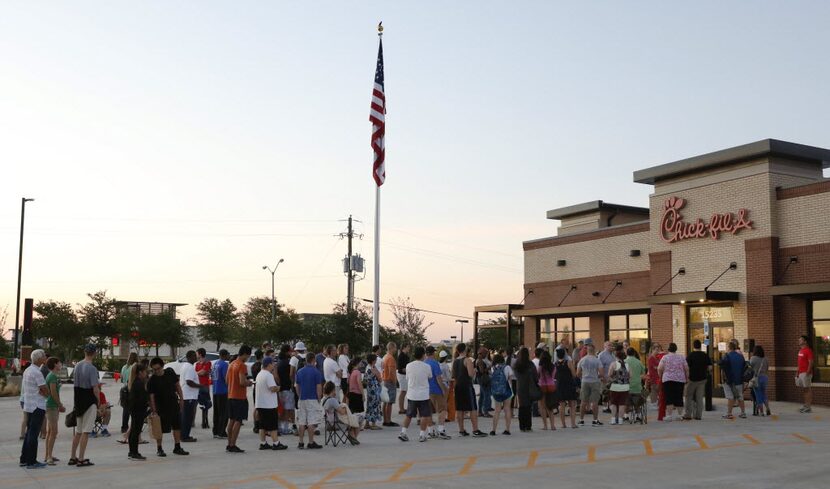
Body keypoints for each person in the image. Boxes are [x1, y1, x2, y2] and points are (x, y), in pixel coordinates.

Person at [147, 357, 189, 457]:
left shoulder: (170, 373)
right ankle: (159, 448)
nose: (156, 371)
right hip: (160, 407)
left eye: (158, 368)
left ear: (162, 366)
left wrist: (182, 400)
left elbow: (178, 386)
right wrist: (154, 410)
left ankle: (177, 447)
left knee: (177, 426)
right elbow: (151, 396)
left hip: (173, 404)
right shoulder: (152, 380)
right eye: (154, 369)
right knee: (159, 428)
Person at [69, 344, 102, 467]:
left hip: (78, 399)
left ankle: (73, 457)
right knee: (86, 432)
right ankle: (81, 458)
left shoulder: (77, 366)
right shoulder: (92, 368)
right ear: (94, 353)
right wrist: (98, 401)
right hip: (89, 400)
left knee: (78, 431)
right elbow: (95, 388)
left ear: (84, 352)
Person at [20, 349, 48, 469]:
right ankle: (31, 461)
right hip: (37, 405)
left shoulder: (27, 370)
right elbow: (44, 389)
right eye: (43, 356)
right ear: (38, 359)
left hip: (29, 405)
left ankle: (24, 459)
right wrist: (46, 394)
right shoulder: (37, 372)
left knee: (28, 433)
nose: (45, 358)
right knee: (33, 434)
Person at [398, 346, 433, 442]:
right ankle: (422, 434)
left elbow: (407, 378)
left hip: (412, 394)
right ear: (423, 355)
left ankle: (403, 432)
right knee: (424, 415)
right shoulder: (427, 366)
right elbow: (430, 377)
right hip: (423, 395)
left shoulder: (409, 366)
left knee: (409, 415)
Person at [453, 343, 487, 436]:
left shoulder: (455, 361)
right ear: (465, 350)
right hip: (467, 386)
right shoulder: (467, 360)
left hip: (458, 386)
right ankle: (475, 429)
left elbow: (454, 375)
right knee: (472, 408)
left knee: (460, 409)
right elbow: (470, 374)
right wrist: (475, 370)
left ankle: (461, 430)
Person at [255, 356, 287, 450]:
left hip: (260, 404)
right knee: (273, 425)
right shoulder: (268, 375)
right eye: (273, 363)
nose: (274, 365)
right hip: (269, 405)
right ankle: (276, 443)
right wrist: (280, 387)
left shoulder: (260, 374)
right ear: (269, 365)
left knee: (262, 425)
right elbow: (272, 388)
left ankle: (263, 442)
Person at [226, 345, 253, 453]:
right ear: (245, 354)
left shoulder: (232, 364)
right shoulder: (242, 365)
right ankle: (233, 444)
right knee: (238, 421)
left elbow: (227, 380)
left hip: (231, 395)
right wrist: (249, 383)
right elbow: (242, 382)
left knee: (231, 420)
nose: (248, 358)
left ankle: (229, 443)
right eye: (248, 356)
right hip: (239, 397)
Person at [294, 352, 324, 449]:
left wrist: (299, 395)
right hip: (312, 398)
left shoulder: (299, 371)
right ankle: (311, 442)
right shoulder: (316, 372)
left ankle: (301, 442)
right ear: (313, 360)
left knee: (302, 421)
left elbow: (296, 385)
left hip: (302, 398)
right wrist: (319, 398)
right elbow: (318, 387)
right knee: (311, 421)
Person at [424, 346, 451, 439]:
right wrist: (443, 389)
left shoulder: (424, 363)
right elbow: (438, 378)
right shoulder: (435, 363)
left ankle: (430, 431)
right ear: (433, 353)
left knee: (429, 411)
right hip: (436, 389)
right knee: (442, 409)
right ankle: (441, 429)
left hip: (427, 390)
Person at [657, 343, 688, 422]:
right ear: (676, 349)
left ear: (668, 349)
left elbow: (659, 368)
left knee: (669, 397)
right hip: (680, 379)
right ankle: (679, 415)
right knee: (679, 397)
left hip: (668, 379)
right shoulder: (681, 357)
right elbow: (686, 368)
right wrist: (687, 377)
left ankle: (669, 415)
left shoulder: (665, 357)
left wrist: (661, 376)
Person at [43, 357, 65, 465]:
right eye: (59, 362)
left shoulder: (53, 376)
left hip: (52, 406)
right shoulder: (52, 376)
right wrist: (60, 405)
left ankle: (48, 454)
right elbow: (53, 393)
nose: (61, 364)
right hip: (51, 406)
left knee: (50, 432)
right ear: (55, 364)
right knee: (54, 432)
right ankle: (49, 457)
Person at [577, 343, 605, 426]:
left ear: (587, 350)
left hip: (584, 381)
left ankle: (581, 420)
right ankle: (595, 420)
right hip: (594, 382)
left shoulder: (582, 360)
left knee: (583, 401)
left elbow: (578, 373)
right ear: (594, 350)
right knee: (595, 402)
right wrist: (596, 375)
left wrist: (583, 376)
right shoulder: (597, 360)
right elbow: (602, 373)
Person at [719, 340, 747, 419]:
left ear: (728, 348)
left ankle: (729, 413)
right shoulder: (740, 356)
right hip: (739, 379)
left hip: (729, 380)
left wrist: (722, 380)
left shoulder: (726, 356)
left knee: (730, 397)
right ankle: (743, 413)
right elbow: (744, 367)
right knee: (740, 396)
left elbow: (723, 369)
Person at [127, 363, 149, 460]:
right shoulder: (139, 383)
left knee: (133, 430)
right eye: (145, 372)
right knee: (136, 431)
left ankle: (132, 451)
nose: (146, 373)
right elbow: (142, 398)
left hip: (134, 409)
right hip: (138, 410)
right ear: (140, 372)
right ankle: (134, 452)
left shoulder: (135, 382)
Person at [684, 340, 711, 420]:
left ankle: (688, 414)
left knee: (688, 397)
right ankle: (698, 415)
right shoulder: (705, 355)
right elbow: (710, 368)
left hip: (692, 380)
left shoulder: (690, 355)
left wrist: (686, 378)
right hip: (702, 379)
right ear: (700, 346)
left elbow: (686, 368)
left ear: (693, 346)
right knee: (699, 398)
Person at [514, 347, 539, 432]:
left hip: (520, 387)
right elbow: (535, 375)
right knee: (528, 406)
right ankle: (528, 425)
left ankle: (522, 426)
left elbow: (515, 375)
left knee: (521, 406)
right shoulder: (530, 364)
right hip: (529, 386)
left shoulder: (517, 364)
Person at [489, 353, 513, 435]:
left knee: (497, 410)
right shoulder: (507, 367)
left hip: (496, 392)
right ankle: (507, 429)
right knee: (507, 409)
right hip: (506, 391)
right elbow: (510, 379)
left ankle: (493, 430)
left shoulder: (493, 368)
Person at [179, 350, 200, 443]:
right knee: (187, 417)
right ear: (190, 357)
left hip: (186, 395)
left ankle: (183, 435)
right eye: (194, 356)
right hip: (189, 396)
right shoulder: (190, 367)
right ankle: (185, 436)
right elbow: (189, 381)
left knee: (185, 416)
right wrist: (200, 386)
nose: (196, 358)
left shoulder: (185, 366)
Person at [554, 348, 578, 429]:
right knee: (572, 404)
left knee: (562, 405)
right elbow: (574, 374)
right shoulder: (568, 362)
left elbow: (554, 375)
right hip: (569, 384)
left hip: (560, 385)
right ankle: (573, 424)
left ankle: (563, 424)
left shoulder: (555, 363)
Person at [276, 345, 296, 436]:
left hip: (280, 388)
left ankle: (280, 427)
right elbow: (291, 375)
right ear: (286, 352)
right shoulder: (287, 363)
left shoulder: (278, 362)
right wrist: (292, 384)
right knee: (287, 409)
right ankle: (285, 428)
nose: (291, 353)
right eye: (290, 351)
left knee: (282, 409)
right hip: (287, 388)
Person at [607, 348, 630, 425]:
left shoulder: (613, 364)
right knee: (622, 404)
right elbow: (631, 376)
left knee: (613, 403)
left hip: (615, 387)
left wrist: (612, 378)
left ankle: (613, 419)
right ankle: (620, 420)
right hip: (625, 387)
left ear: (616, 356)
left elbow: (609, 374)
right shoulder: (627, 364)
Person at [211, 349, 230, 439]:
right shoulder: (224, 364)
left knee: (217, 412)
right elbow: (226, 378)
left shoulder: (215, 364)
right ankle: (221, 431)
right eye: (227, 355)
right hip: (223, 391)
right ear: (224, 355)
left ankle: (215, 431)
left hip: (215, 390)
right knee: (224, 412)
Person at [624, 348, 646, 423]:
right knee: (638, 401)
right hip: (637, 386)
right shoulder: (639, 362)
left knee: (626, 401)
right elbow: (643, 374)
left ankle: (626, 416)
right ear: (634, 353)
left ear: (627, 354)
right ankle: (638, 416)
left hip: (626, 386)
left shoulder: (624, 362)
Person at [537, 350, 557, 431]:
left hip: (542, 386)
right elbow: (553, 376)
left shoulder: (540, 367)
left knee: (542, 406)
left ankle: (545, 425)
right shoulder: (553, 366)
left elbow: (538, 375)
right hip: (551, 386)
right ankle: (553, 425)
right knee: (550, 406)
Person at [120, 352, 138, 438]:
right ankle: (134, 426)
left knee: (125, 410)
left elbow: (121, 379)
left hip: (124, 390)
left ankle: (124, 427)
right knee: (134, 410)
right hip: (132, 389)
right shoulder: (135, 366)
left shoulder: (124, 367)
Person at [381, 342, 399, 427]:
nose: (396, 350)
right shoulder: (391, 358)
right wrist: (394, 381)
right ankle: (388, 420)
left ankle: (385, 419)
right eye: (395, 348)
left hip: (384, 380)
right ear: (392, 348)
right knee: (390, 402)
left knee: (385, 401)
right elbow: (392, 372)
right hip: (389, 381)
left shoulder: (385, 357)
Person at [750, 345, 771, 417]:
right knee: (764, 394)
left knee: (758, 395)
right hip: (765, 377)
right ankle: (768, 408)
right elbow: (767, 368)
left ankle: (761, 412)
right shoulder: (765, 359)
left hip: (756, 378)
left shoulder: (753, 358)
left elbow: (750, 368)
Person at [364, 353, 383, 430]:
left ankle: (367, 423)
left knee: (369, 405)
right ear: (373, 361)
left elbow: (365, 379)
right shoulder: (373, 369)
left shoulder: (367, 367)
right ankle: (373, 423)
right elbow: (380, 378)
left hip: (369, 388)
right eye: (375, 360)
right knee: (375, 405)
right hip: (374, 389)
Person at [195, 348, 212, 429]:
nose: (196, 355)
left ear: (200, 354)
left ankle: (205, 422)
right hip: (198, 386)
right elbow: (198, 373)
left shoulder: (207, 363)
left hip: (204, 386)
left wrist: (198, 373)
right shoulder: (197, 364)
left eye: (197, 353)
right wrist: (199, 373)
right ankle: (203, 422)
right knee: (201, 405)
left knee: (206, 404)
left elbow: (203, 372)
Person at [796, 335, 813, 413]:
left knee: (807, 389)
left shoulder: (808, 350)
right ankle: (805, 405)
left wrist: (808, 372)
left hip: (806, 373)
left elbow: (811, 362)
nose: (799, 341)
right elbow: (799, 363)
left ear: (805, 341)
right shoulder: (800, 351)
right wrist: (797, 372)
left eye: (801, 340)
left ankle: (808, 407)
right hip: (800, 373)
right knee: (804, 390)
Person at [598, 341, 615, 414]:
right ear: (605, 346)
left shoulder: (613, 354)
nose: (611, 346)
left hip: (612, 378)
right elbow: (599, 366)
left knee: (611, 392)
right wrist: (601, 377)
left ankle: (610, 406)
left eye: (612, 345)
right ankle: (605, 407)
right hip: (604, 377)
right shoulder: (601, 355)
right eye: (609, 345)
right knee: (605, 392)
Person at [475, 347, 493, 418]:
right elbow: (482, 371)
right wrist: (490, 367)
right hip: (483, 378)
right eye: (486, 353)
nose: (486, 354)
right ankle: (485, 411)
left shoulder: (480, 360)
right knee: (486, 394)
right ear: (482, 353)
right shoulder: (480, 361)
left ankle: (480, 412)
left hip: (481, 378)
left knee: (482, 395)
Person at [396, 344, 411, 415]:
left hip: (405, 375)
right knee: (403, 392)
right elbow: (400, 368)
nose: (409, 348)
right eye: (408, 347)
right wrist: (408, 370)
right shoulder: (401, 356)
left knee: (404, 392)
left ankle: (402, 408)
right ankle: (401, 409)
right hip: (402, 376)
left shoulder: (405, 356)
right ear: (404, 347)